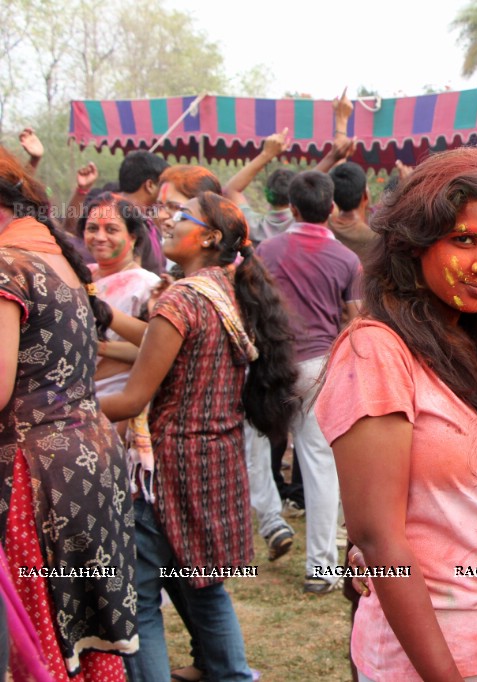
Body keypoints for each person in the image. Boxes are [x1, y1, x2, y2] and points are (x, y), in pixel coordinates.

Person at [315, 147, 477, 681]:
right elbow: (379, 541)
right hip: (431, 660)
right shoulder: (376, 350)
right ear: (414, 240)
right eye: (464, 239)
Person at [102, 191, 299, 681]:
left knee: (140, 595)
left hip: (167, 466)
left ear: (209, 237)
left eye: (180, 215)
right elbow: (154, 346)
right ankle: (233, 676)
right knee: (204, 587)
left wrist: (59, 409)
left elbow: (131, 400)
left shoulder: (183, 299)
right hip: (216, 462)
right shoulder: (230, 294)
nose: (166, 220)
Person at [0, 147, 138, 680]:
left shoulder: (9, 264)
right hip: (90, 462)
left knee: (43, 637)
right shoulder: (57, 259)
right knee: (86, 629)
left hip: (35, 474)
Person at [251, 170, 361, 593]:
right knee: (319, 465)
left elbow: (252, 305)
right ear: (331, 208)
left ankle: (271, 520)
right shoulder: (347, 260)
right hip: (319, 366)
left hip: (272, 362)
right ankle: (321, 568)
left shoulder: (266, 250)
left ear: (292, 209)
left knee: (256, 447)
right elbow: (357, 319)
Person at [82, 192, 161, 401]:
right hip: (73, 395)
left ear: (133, 237)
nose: (99, 237)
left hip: (115, 400)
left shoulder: (146, 285)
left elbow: (156, 348)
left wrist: (98, 346)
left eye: (111, 229)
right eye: (92, 228)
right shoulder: (81, 275)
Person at [118, 150, 171, 274]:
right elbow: (132, 276)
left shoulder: (148, 221)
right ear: (150, 185)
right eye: (164, 185)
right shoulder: (125, 221)